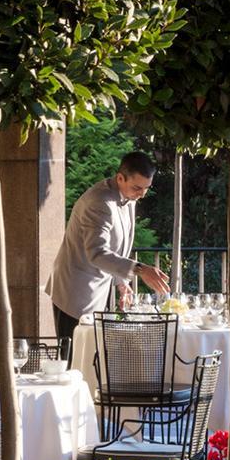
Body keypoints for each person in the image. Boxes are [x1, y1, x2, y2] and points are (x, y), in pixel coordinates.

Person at [45, 151, 169, 362]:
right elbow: (97, 253)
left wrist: (121, 282)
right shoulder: (99, 202)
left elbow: (116, 247)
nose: (141, 194)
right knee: (74, 362)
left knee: (92, 361)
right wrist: (140, 269)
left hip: (96, 292)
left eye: (146, 188)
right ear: (120, 178)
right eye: (137, 188)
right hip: (74, 292)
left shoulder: (127, 195)